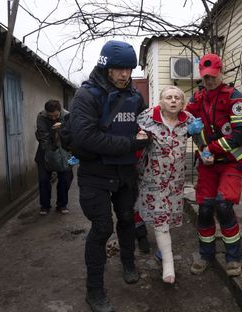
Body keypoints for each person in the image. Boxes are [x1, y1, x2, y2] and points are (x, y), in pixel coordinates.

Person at [68, 40, 151, 312]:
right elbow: (86, 137)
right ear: (105, 67)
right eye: (118, 69)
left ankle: (128, 264)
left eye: (128, 69)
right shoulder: (87, 96)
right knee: (102, 228)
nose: (124, 75)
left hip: (126, 173)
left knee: (127, 221)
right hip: (96, 175)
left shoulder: (135, 97)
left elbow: (146, 126)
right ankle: (94, 291)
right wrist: (129, 144)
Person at [186, 53, 242, 277]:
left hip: (231, 162)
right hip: (207, 164)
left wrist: (210, 149)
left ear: (221, 73)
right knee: (204, 209)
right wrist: (188, 127)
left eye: (213, 76)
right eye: (206, 77)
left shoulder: (234, 97)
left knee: (223, 206)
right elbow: (184, 118)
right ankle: (206, 255)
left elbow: (240, 134)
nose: (210, 81)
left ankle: (233, 258)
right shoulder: (198, 98)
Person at [135, 86, 195, 284]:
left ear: (182, 103)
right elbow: (134, 135)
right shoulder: (147, 118)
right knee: (160, 219)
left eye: (177, 98)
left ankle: (162, 250)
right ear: (160, 101)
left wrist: (204, 148)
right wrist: (140, 138)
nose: (173, 101)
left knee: (169, 217)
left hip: (176, 180)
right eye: (168, 97)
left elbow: (202, 140)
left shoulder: (189, 120)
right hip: (154, 179)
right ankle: (169, 265)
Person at [35, 99, 73, 216]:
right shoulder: (41, 117)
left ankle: (62, 204)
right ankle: (45, 206)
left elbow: (72, 132)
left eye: (56, 115)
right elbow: (43, 136)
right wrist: (51, 152)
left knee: (66, 178)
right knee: (44, 179)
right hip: (46, 151)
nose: (53, 118)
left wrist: (62, 126)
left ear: (60, 111)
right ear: (46, 112)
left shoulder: (67, 116)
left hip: (64, 151)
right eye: (50, 116)